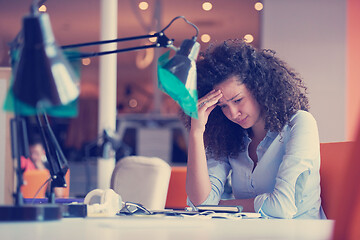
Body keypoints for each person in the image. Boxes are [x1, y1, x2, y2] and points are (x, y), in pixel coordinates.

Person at [185, 39, 325, 219]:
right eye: (223, 106)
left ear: (259, 88)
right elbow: (199, 202)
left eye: (237, 100)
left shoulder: (300, 123)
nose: (233, 113)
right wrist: (196, 132)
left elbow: (283, 207)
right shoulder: (230, 136)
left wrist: (219, 206)